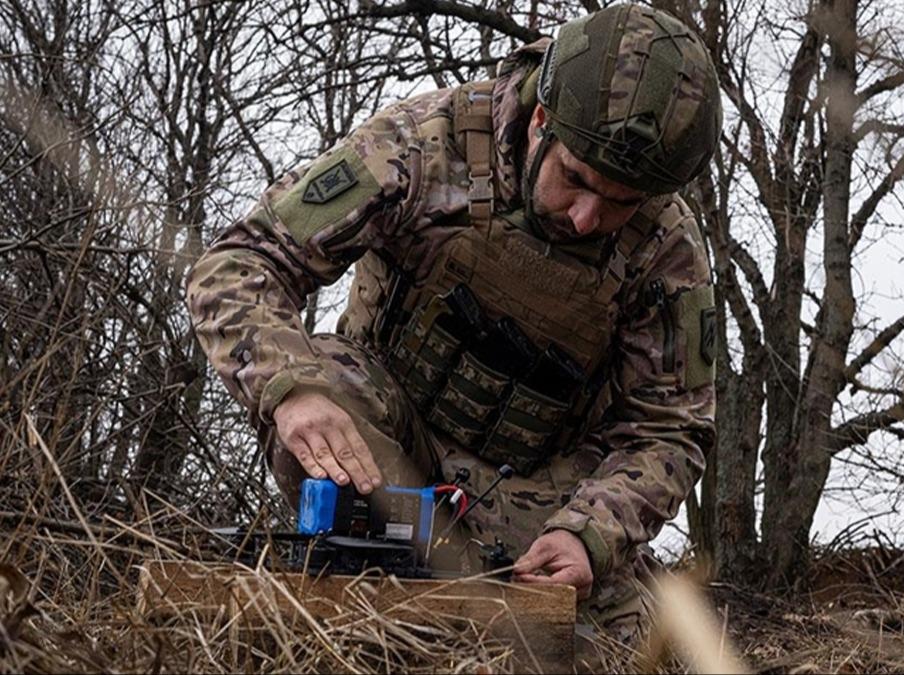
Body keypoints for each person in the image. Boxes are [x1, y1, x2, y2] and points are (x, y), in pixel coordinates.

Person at [186, 2, 720, 651]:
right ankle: (363, 566)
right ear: (541, 121)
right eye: (574, 179)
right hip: (386, 453)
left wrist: (590, 534)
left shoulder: (666, 250)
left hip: (536, 501)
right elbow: (240, 262)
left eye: (620, 202)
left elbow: (671, 426)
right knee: (326, 376)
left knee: (636, 647)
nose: (586, 217)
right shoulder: (423, 143)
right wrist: (290, 385)